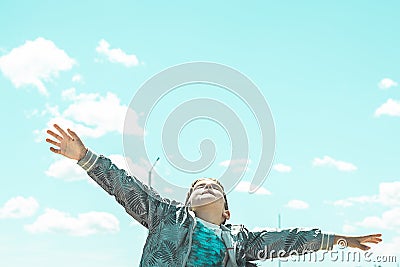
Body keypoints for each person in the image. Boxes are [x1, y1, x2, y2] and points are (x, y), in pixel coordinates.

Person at [46, 124, 382, 267]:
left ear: (226, 211)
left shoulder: (242, 242)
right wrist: (85, 157)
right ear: (188, 203)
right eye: (196, 186)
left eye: (214, 186)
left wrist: (343, 241)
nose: (204, 185)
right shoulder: (166, 217)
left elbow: (292, 241)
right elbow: (123, 186)